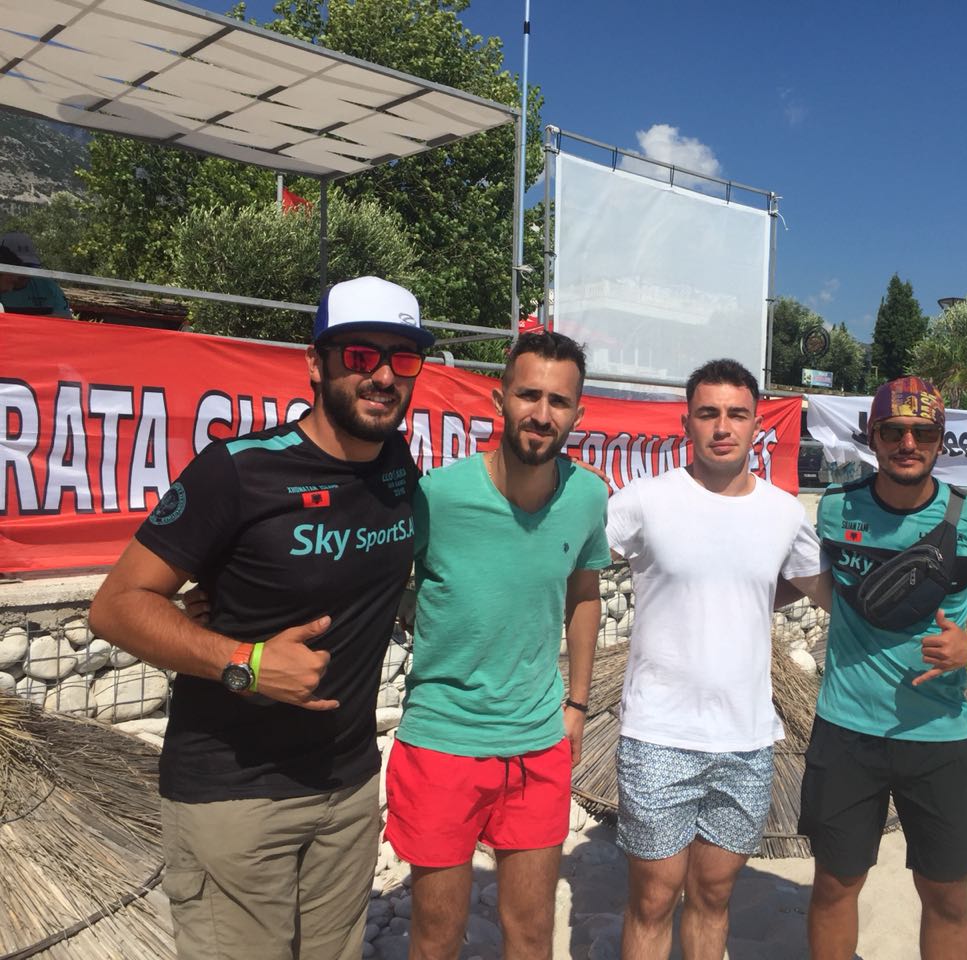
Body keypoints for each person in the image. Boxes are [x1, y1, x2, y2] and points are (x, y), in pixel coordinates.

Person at [88, 276, 433, 960]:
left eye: (403, 357)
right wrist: (245, 663)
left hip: (348, 789)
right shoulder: (237, 471)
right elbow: (116, 606)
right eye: (360, 355)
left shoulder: (397, 467)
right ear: (316, 364)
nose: (383, 375)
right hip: (235, 796)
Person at [384, 331, 610, 960]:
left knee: (532, 931)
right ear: (498, 398)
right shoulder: (438, 496)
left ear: (578, 413)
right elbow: (371, 575)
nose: (542, 414)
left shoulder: (588, 496)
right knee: (436, 935)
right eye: (529, 395)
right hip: (442, 741)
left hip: (537, 744)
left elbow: (584, 593)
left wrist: (577, 705)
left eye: (558, 401)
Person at [605, 358, 830, 960]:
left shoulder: (784, 512)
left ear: (757, 424)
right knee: (653, 900)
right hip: (658, 734)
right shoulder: (644, 501)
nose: (722, 427)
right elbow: (572, 566)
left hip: (746, 740)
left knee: (713, 897)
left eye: (736, 414)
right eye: (708, 413)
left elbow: (824, 588)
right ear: (686, 422)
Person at [801, 376, 967, 960]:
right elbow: (790, 574)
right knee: (835, 885)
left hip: (939, 734)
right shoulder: (835, 510)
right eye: (894, 431)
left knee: (945, 893)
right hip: (846, 728)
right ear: (873, 437)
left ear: (940, 440)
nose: (908, 443)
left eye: (923, 432)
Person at [0, 243, 72, 317]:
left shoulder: (47, 285)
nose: (25, 272)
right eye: (20, 266)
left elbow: (65, 317)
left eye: (30, 266)